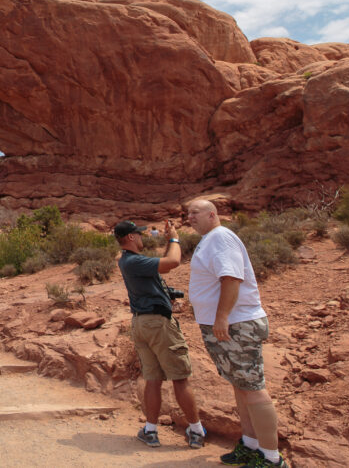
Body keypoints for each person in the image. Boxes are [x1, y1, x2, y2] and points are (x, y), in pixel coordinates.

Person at [187, 199, 286, 467]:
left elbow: (231, 278)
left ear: (212, 214)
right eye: (188, 213)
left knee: (252, 388)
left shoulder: (220, 238)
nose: (190, 217)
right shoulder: (210, 239)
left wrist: (222, 317)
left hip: (236, 325)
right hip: (226, 325)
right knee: (241, 386)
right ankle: (251, 445)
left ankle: (271, 458)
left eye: (195, 212)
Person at [115, 219, 206, 450]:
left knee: (153, 379)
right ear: (132, 238)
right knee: (180, 377)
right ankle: (196, 430)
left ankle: (151, 430)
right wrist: (174, 238)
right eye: (140, 234)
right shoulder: (134, 260)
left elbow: (161, 266)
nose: (143, 238)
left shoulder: (128, 261)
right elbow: (172, 261)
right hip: (158, 324)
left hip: (141, 323)